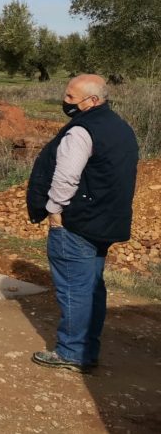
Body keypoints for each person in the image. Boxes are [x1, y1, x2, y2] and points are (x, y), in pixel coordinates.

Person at [26, 73, 138, 373]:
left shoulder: (81, 131)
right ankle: (87, 350)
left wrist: (54, 210)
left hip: (77, 221)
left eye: (71, 98)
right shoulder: (120, 127)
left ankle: (72, 353)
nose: (65, 101)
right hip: (106, 221)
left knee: (75, 288)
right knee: (91, 287)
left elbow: (66, 176)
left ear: (92, 100)